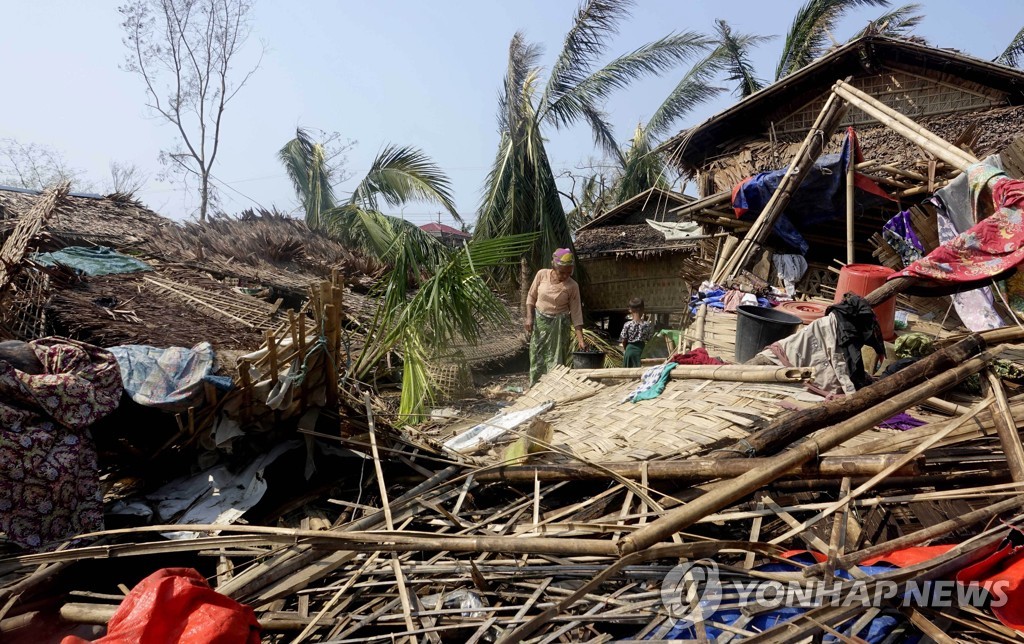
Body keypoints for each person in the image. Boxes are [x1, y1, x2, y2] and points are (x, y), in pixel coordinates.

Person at [525, 248, 585, 385]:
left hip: (559, 327)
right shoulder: (542, 275)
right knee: (537, 355)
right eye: (562, 272)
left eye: (569, 272)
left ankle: (553, 387)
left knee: (557, 358)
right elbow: (531, 296)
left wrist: (580, 340)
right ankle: (536, 387)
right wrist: (529, 317)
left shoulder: (572, 286)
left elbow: (576, 313)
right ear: (554, 266)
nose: (565, 276)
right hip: (541, 324)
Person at [619, 297, 653, 368]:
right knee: (638, 374)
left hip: (629, 351)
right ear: (643, 310)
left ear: (630, 310)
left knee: (627, 375)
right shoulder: (647, 325)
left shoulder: (627, 325)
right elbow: (650, 340)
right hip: (641, 352)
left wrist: (627, 349)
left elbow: (623, 340)